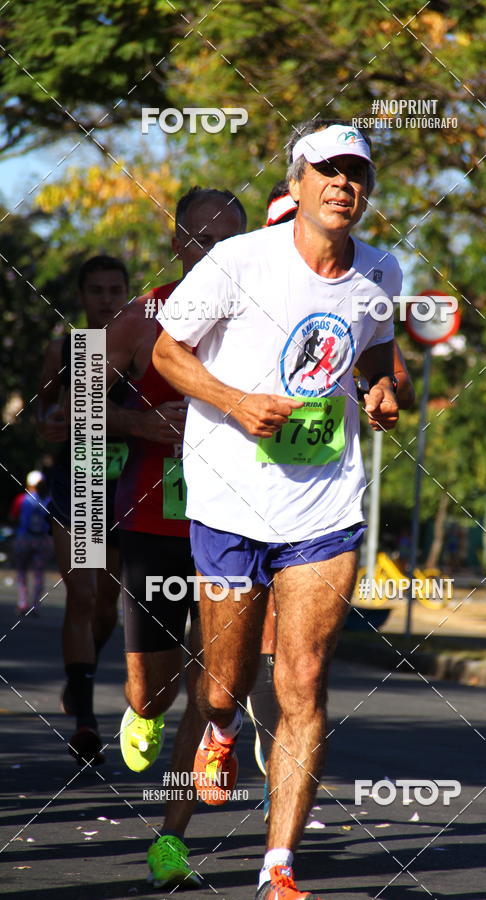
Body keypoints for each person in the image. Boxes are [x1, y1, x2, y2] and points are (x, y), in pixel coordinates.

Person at [153, 119, 407, 899]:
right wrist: (237, 402)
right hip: (231, 496)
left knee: (302, 679)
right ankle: (193, 794)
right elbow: (168, 353)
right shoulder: (237, 262)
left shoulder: (381, 273)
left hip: (324, 504)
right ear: (294, 183)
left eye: (356, 173)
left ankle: (278, 867)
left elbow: (369, 350)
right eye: (326, 170)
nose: (342, 184)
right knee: (221, 683)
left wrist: (381, 389)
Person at [104, 187, 247, 889]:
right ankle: (140, 709)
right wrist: (137, 426)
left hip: (246, 523)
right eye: (200, 241)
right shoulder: (140, 319)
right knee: (154, 689)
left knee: (217, 684)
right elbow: (68, 408)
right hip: (158, 524)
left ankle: (172, 840)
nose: (213, 255)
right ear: (176, 243)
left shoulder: (267, 309)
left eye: (228, 241)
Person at [37, 256, 130, 766]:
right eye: (96, 291)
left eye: (115, 290)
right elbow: (43, 410)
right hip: (81, 482)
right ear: (81, 296)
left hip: (125, 489)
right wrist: (49, 425)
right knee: (84, 592)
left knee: (104, 606)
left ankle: (79, 678)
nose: (106, 300)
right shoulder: (67, 349)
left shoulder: (142, 346)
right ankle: (86, 721)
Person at [9, 471, 52, 616]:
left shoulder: (22, 499)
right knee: (39, 574)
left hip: (24, 539)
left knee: (22, 572)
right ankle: (35, 605)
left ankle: (22, 603)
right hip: (42, 540)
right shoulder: (49, 500)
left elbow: (13, 516)